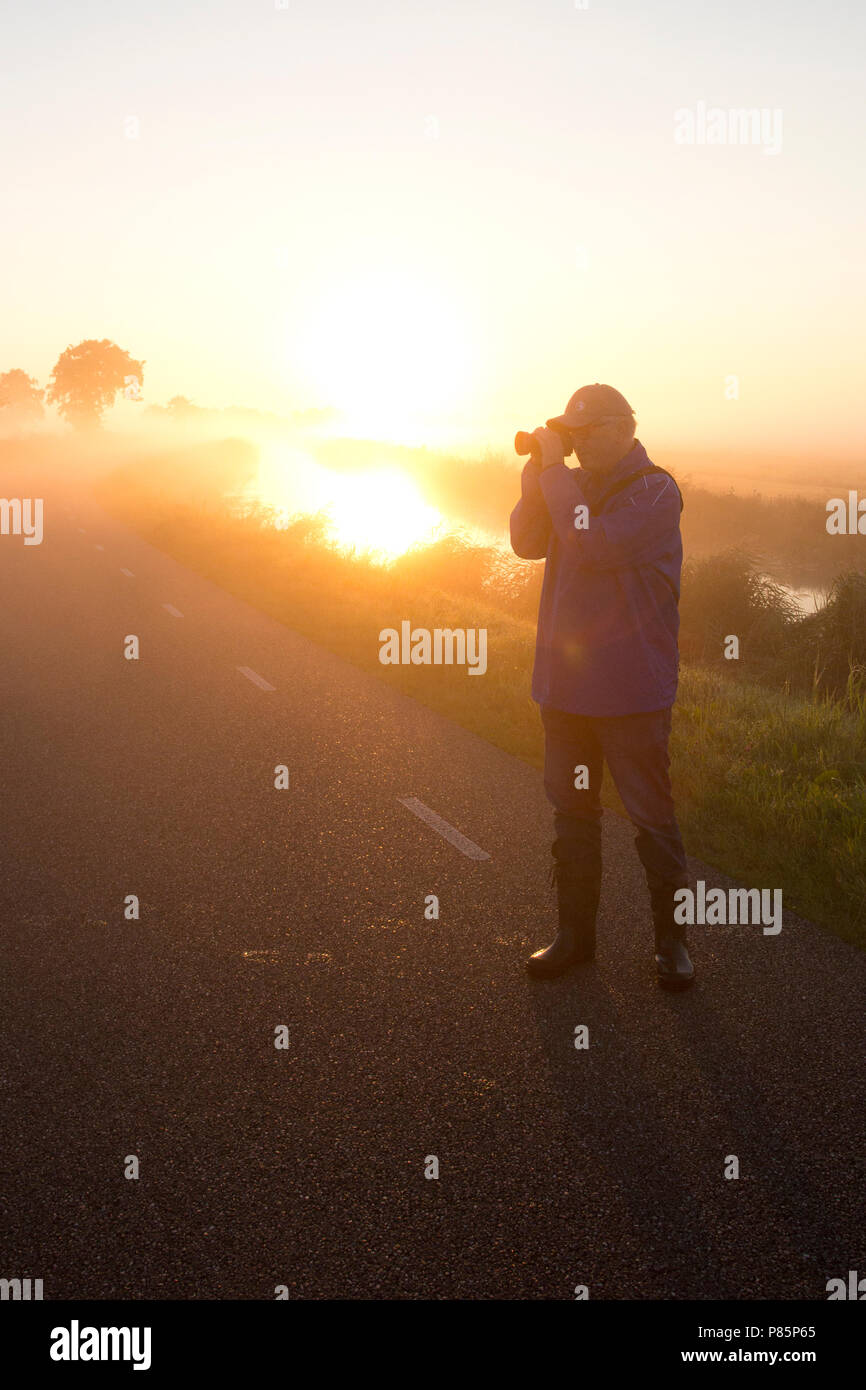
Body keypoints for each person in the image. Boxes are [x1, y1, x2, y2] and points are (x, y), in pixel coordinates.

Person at [509, 383, 694, 989]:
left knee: (651, 816)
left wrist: (556, 469)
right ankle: (574, 938)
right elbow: (526, 542)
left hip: (631, 692)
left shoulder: (655, 490)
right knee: (573, 813)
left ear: (624, 428)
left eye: (588, 433)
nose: (579, 444)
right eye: (572, 433)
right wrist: (538, 471)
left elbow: (592, 545)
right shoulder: (572, 484)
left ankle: (672, 945)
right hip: (567, 688)